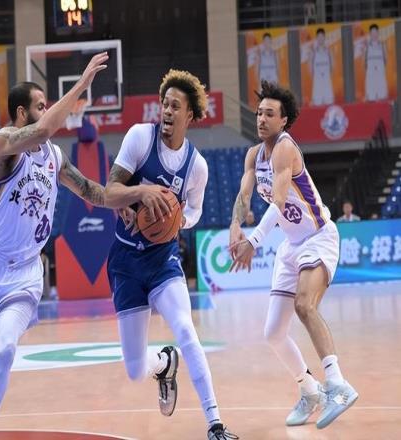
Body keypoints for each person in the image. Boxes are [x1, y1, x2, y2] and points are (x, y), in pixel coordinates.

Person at [0, 52, 109, 440]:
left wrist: (132, 199)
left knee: (6, 351)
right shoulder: (3, 143)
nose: (48, 111)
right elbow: (41, 131)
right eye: (42, 105)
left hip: (25, 272)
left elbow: (91, 190)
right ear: (22, 113)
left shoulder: (55, 157)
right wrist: (81, 85)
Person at [104, 69, 237, 440]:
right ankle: (163, 363)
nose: (166, 111)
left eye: (175, 106)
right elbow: (110, 190)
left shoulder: (197, 166)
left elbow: (194, 212)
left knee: (186, 329)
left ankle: (215, 423)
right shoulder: (139, 138)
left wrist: (175, 218)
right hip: (126, 262)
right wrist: (137, 196)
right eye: (164, 103)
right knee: (134, 370)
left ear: (189, 115)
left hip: (162, 261)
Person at [229, 81, 358, 430]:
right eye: (259, 113)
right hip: (291, 245)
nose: (261, 119)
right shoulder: (254, 156)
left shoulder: (286, 149)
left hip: (318, 237)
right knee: (273, 332)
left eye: (269, 114)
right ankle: (310, 389)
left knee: (304, 306)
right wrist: (235, 226)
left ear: (284, 120)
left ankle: (338, 384)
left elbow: (278, 202)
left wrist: (254, 241)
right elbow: (244, 196)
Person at [309, 28, 334, 106]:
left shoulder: (328, 50)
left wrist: (330, 71)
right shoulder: (313, 51)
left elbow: (332, 62)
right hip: (317, 78)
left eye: (322, 36)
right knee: (317, 103)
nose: (320, 39)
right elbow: (310, 63)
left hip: (326, 78)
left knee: (329, 102)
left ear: (324, 37)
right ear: (316, 38)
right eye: (319, 37)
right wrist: (311, 72)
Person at [364, 24, 388, 101]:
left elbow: (386, 59)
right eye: (372, 32)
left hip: (380, 73)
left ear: (378, 33)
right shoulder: (367, 46)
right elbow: (364, 61)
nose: (374, 34)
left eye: (375, 32)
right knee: (371, 97)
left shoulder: (383, 45)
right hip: (370, 74)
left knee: (382, 96)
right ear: (370, 34)